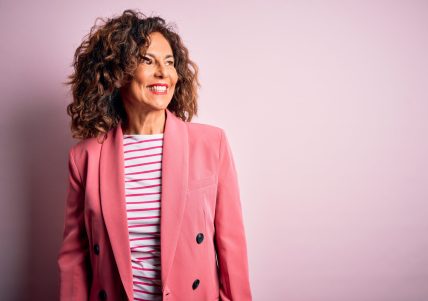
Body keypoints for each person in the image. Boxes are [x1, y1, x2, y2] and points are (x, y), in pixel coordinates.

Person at [57, 9, 252, 301]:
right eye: (147, 60)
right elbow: (75, 258)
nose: (164, 72)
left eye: (170, 62)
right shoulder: (85, 157)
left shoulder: (212, 144)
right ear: (117, 72)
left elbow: (231, 247)